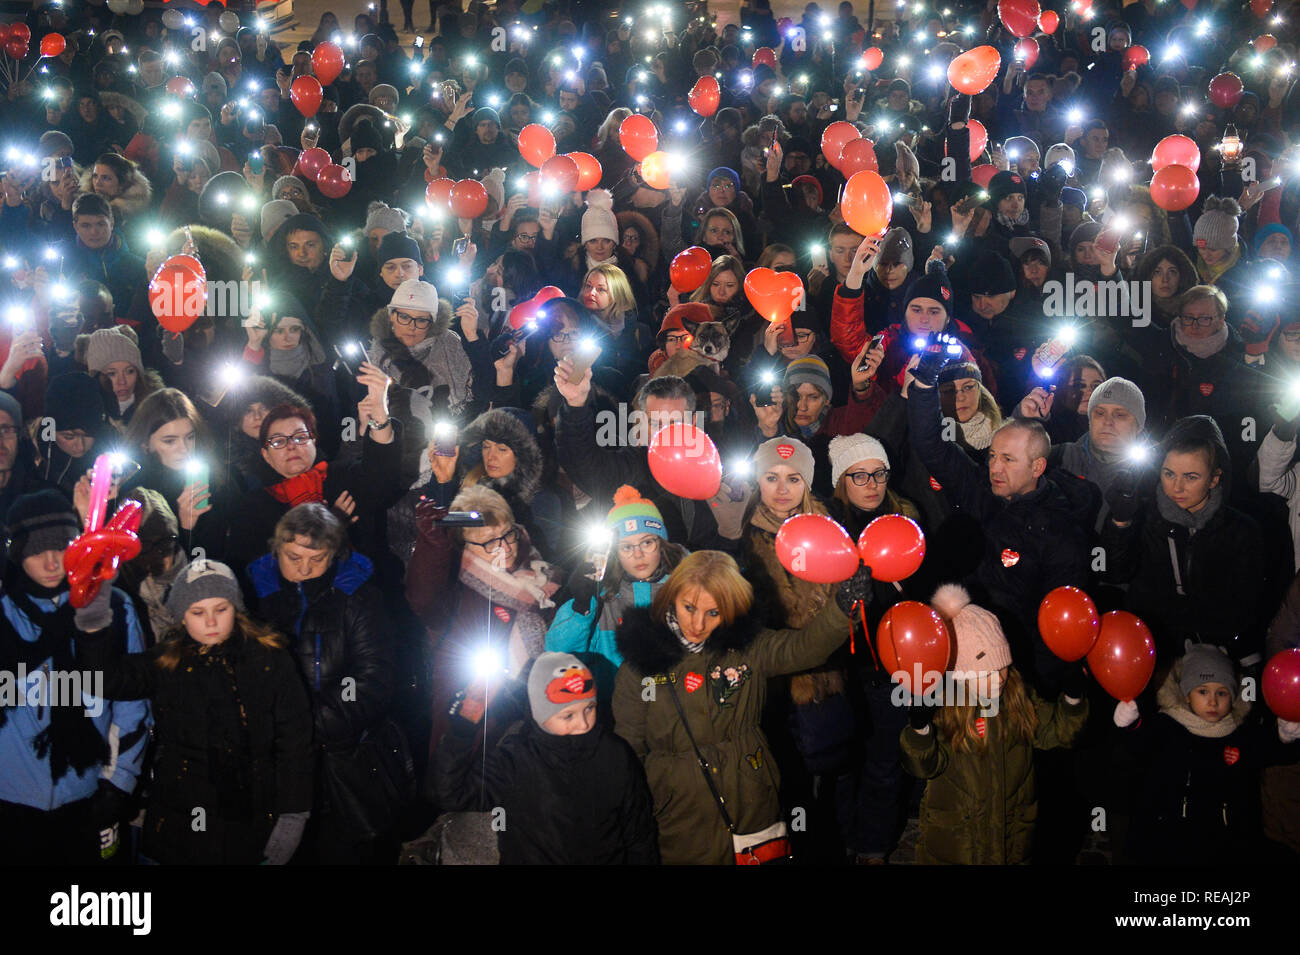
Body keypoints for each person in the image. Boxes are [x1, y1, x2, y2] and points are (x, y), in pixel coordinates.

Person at [73, 559, 314, 864]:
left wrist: (293, 815)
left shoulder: (270, 660)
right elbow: (104, 680)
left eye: (221, 609)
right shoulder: (167, 662)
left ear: (236, 608)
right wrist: (94, 628)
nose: (211, 622)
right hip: (177, 826)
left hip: (250, 824)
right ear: (182, 618)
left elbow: (295, 741)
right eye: (198, 613)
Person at [249, 504, 406, 864]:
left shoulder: (359, 598)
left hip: (342, 761)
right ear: (276, 551)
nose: (304, 569)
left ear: (334, 555)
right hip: (274, 765)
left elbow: (373, 680)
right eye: (293, 557)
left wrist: (304, 727)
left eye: (316, 559)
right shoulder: (255, 595)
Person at [0, 491, 151, 864]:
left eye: (62, 548)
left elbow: (132, 703)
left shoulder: (111, 605)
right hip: (11, 801)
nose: (52, 562)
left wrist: (118, 784)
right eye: (36, 550)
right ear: (16, 553)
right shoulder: (4, 614)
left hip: (90, 796)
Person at [901, 584, 1089, 864]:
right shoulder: (944, 706)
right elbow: (924, 766)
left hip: (1012, 839)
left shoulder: (1018, 695)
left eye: (1003, 667)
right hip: (957, 846)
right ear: (961, 674)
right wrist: (920, 730)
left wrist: (1073, 699)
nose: (1000, 678)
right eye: (987, 672)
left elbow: (1057, 732)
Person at [433, 651, 659, 864]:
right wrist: (462, 731)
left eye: (589, 708)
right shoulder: (516, 759)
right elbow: (452, 793)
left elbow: (638, 832)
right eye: (568, 715)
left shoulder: (615, 754)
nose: (583, 724)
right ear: (540, 715)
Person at [1100, 415, 1266, 667]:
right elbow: (1115, 573)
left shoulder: (1242, 531)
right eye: (1168, 474)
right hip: (1153, 652)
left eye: (1190, 477)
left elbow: (1246, 608)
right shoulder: (1145, 518)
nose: (1176, 487)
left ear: (1215, 478)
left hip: (1218, 657)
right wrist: (1120, 523)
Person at [1114, 643, 1300, 864]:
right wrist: (1131, 725)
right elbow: (1141, 745)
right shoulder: (1168, 726)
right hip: (1167, 842)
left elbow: (1268, 749)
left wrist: (1285, 737)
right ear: (1187, 696)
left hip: (1224, 847)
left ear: (1232, 697)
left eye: (1221, 693)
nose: (1213, 701)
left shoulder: (1240, 734)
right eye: (1203, 691)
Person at [546, 486, 688, 698]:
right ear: (615, 552)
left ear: (661, 543)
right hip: (615, 707)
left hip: (676, 704)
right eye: (626, 547)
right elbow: (559, 653)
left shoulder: (688, 587)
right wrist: (581, 608)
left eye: (647, 542)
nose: (638, 554)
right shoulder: (602, 597)